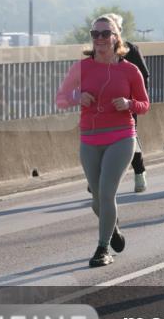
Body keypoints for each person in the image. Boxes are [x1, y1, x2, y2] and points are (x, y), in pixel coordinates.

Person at [56, 14, 150, 267]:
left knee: (107, 193)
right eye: (95, 34)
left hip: (121, 136)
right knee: (98, 200)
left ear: (116, 37)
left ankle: (102, 248)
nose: (99, 38)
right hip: (89, 138)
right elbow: (60, 99)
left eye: (105, 33)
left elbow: (144, 104)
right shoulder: (81, 67)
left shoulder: (129, 70)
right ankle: (113, 227)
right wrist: (77, 97)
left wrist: (129, 104)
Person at [105, 13, 151, 193]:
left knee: (129, 140)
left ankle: (139, 172)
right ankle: (98, 178)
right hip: (102, 107)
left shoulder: (131, 50)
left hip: (127, 105)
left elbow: (144, 76)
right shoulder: (98, 52)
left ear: (119, 31)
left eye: (112, 29)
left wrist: (134, 101)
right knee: (100, 141)